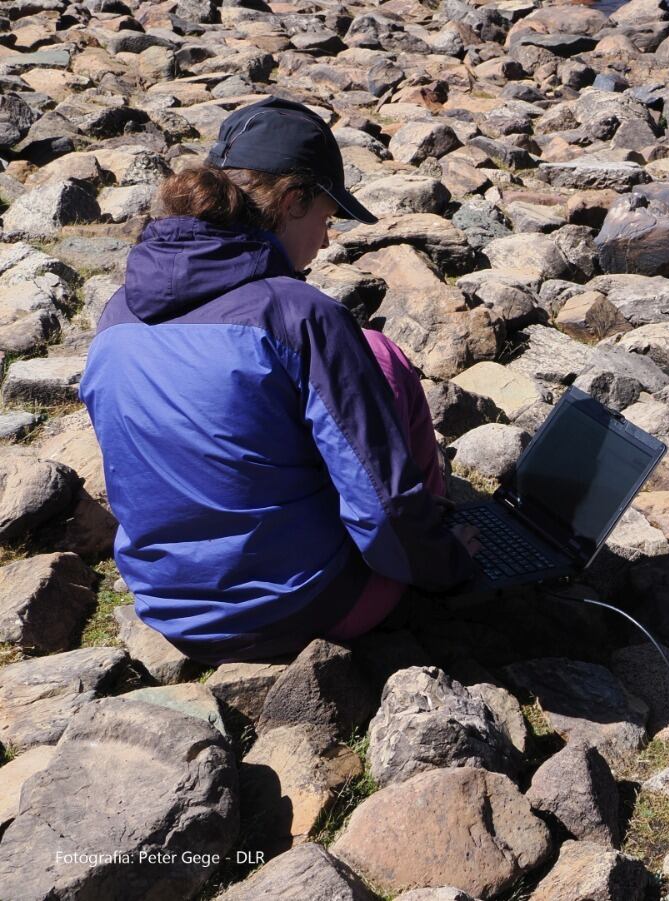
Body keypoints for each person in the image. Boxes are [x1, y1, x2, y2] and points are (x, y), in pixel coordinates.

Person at [80, 96, 478, 665]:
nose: (325, 240)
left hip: (169, 608)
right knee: (380, 353)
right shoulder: (301, 316)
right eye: (326, 219)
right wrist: (452, 566)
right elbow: (381, 507)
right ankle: (437, 525)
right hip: (298, 610)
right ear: (293, 201)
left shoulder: (119, 310)